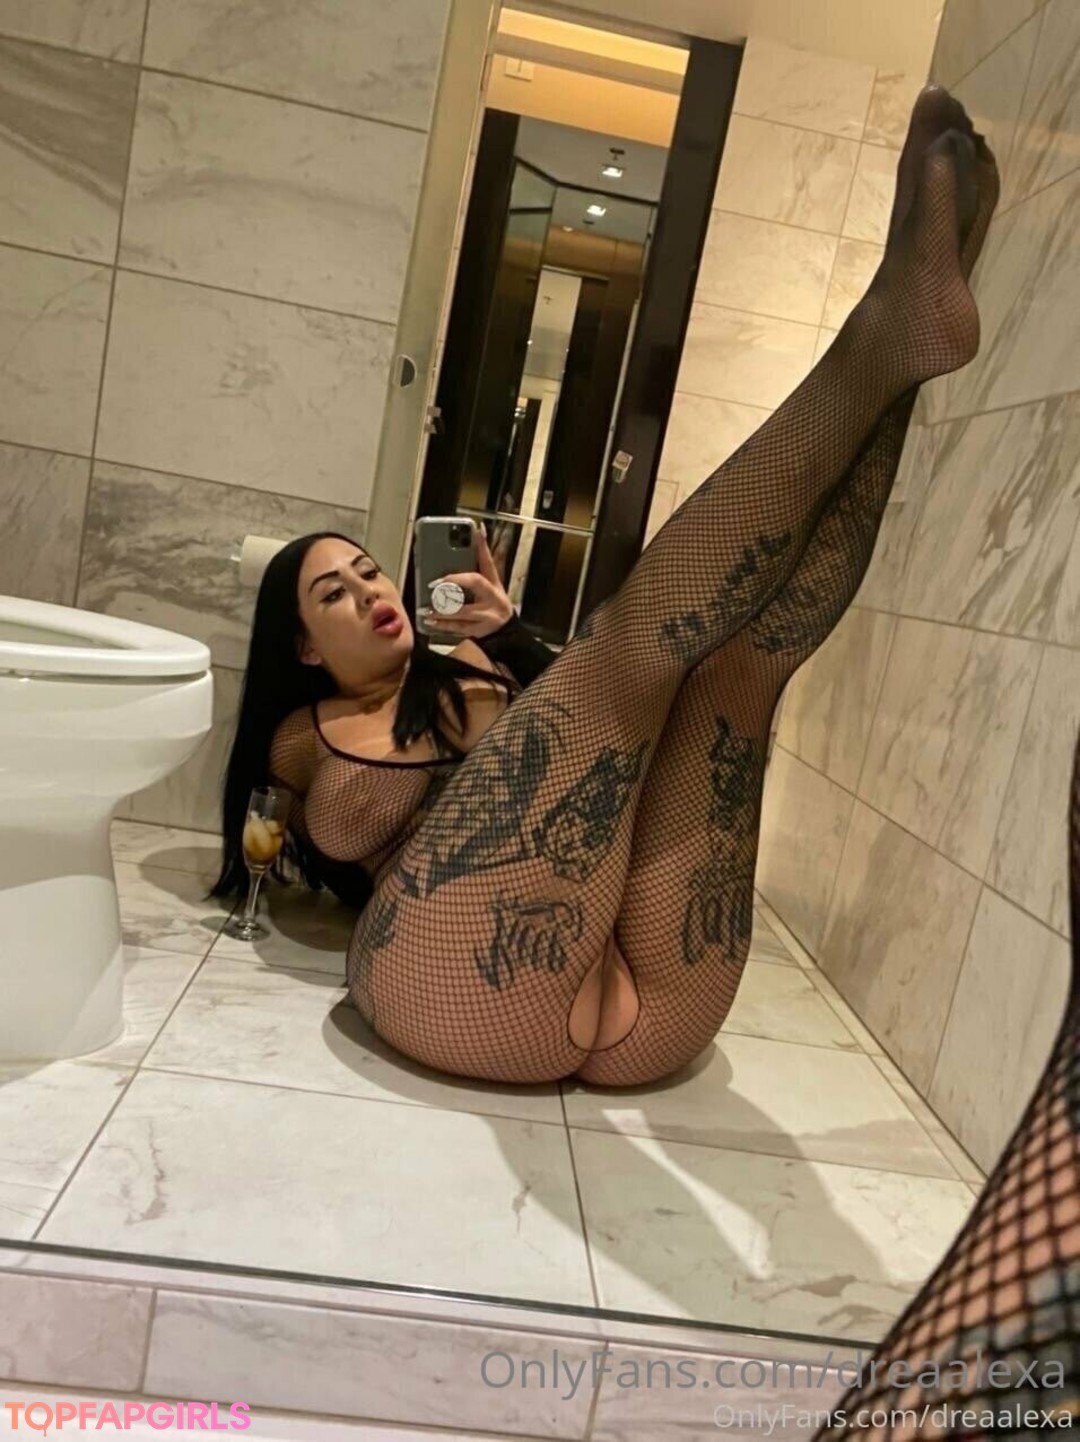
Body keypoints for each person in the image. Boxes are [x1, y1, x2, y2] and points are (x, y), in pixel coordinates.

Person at [217, 86, 999, 1091]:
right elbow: (314, 832)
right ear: (304, 647)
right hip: (451, 985)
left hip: (650, 995)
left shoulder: (475, 659)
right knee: (630, 650)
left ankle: (902, 355)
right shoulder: (306, 731)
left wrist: (510, 637)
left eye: (371, 569)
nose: (372, 590)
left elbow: (609, 730)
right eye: (334, 594)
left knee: (738, 671)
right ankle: (890, 334)